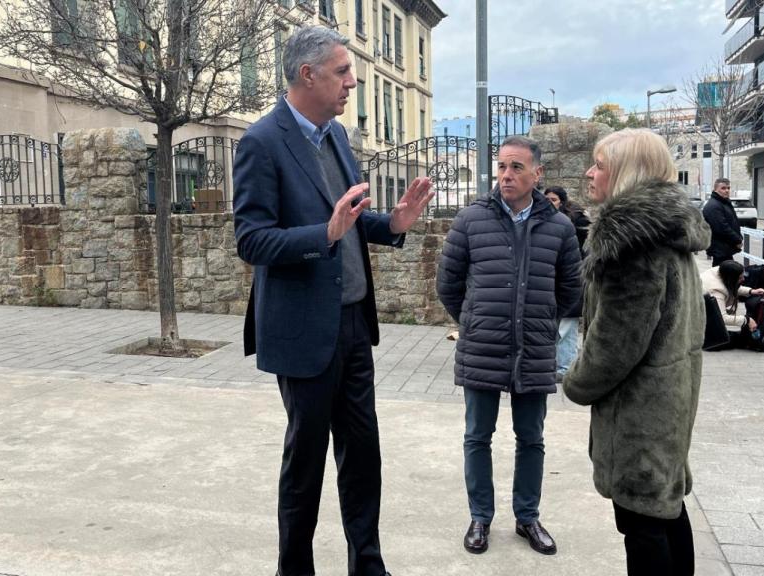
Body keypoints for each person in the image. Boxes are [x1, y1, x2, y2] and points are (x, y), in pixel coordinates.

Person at [232, 26, 434, 576]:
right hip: (301, 331)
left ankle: (367, 564)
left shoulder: (337, 137)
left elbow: (347, 221)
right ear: (308, 75)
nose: (353, 82)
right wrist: (323, 233)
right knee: (307, 462)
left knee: (363, 454)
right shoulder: (261, 142)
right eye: (343, 71)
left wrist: (392, 223)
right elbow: (251, 240)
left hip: (352, 324)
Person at [562, 128, 711, 576]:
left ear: (627, 172)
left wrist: (575, 382)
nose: (589, 173)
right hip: (669, 399)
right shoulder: (666, 235)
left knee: (642, 521)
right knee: (664, 509)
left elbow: (616, 343)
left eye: (600, 164)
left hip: (640, 411)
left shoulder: (632, 245)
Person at [436, 136, 582, 557]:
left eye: (517, 167)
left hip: (533, 349)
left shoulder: (559, 227)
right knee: (477, 436)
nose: (506, 175)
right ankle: (480, 518)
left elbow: (571, 290)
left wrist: (541, 326)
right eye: (501, 166)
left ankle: (527, 517)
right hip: (483, 346)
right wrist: (473, 321)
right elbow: (448, 283)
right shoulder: (470, 220)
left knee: (531, 438)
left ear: (538, 174)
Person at [544, 186, 590, 380]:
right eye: (547, 199)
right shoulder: (545, 221)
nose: (549, 203)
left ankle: (566, 368)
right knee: (553, 327)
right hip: (552, 281)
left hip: (570, 279)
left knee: (567, 329)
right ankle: (556, 365)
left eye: (553, 200)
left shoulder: (576, 223)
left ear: (561, 201)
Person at [701, 260, 764, 348]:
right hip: (698, 319)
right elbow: (722, 318)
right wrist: (747, 320)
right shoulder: (716, 291)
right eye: (740, 278)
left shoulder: (720, 271)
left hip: (700, 311)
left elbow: (730, 285)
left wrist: (751, 291)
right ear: (731, 278)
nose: (743, 279)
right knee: (727, 340)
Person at [702, 178, 742, 266]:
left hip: (724, 248)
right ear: (715, 189)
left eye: (728, 188)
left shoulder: (723, 203)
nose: (727, 190)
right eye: (723, 188)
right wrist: (737, 240)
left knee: (724, 274)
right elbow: (722, 228)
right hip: (720, 248)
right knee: (722, 275)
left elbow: (732, 223)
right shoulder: (714, 206)